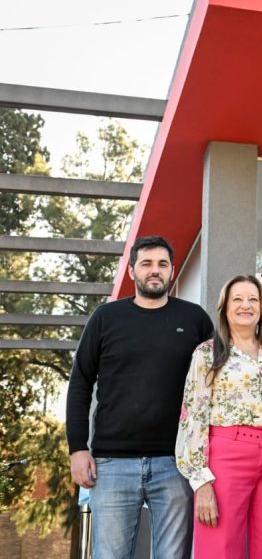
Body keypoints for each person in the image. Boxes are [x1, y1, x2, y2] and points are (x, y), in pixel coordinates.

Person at [66, 235, 214, 559]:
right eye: (146, 264)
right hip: (111, 464)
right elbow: (79, 384)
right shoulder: (105, 318)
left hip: (176, 464)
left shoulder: (195, 319)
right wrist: (78, 448)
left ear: (172, 270)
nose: (154, 270)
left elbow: (214, 388)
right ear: (132, 270)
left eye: (162, 264)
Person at [175, 274, 262, 558]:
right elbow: (193, 416)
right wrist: (201, 481)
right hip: (227, 459)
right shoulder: (208, 354)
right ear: (225, 307)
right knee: (219, 548)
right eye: (237, 299)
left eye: (253, 299)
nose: (246, 305)